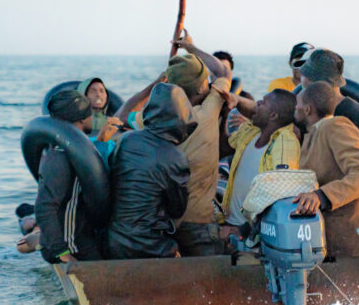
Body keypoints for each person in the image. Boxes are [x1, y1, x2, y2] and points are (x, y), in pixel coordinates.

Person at [115, 31, 232, 255]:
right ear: (200, 89)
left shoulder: (149, 120)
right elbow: (223, 71)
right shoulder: (208, 112)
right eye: (205, 81)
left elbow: (120, 117)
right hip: (200, 224)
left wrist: (156, 84)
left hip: (161, 225)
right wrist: (190, 47)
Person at [292, 82, 359, 258]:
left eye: (297, 104)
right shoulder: (312, 135)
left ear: (308, 109)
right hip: (340, 244)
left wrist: (321, 196)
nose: (294, 109)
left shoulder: (336, 126)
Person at [106, 83, 196, 259]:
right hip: (148, 244)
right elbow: (177, 209)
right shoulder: (175, 157)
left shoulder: (126, 139)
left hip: (113, 238)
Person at [34, 90, 104, 264]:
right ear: (82, 118)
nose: (92, 119)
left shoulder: (68, 150)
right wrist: (62, 252)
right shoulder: (60, 157)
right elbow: (44, 206)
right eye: (90, 115)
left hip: (80, 236)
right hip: (70, 245)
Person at [219, 89, 300, 228]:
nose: (257, 103)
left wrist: (243, 231)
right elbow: (223, 149)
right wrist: (224, 116)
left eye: (263, 102)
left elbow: (279, 194)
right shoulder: (252, 131)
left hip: (249, 232)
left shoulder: (285, 142)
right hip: (229, 222)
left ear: (273, 115)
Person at [295, 48, 359, 167]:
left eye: (305, 75)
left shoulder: (355, 112)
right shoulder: (301, 109)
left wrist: (340, 151)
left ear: (316, 82)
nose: (302, 80)